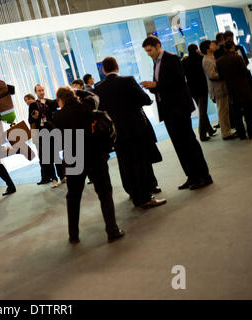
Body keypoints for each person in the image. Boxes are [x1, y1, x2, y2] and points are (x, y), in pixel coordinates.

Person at [52, 87, 124, 244]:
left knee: (73, 196)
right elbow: (94, 96)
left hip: (73, 158)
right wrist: (79, 92)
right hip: (95, 155)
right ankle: (112, 230)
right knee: (105, 193)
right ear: (74, 96)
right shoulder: (87, 106)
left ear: (60, 100)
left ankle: (73, 235)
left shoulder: (57, 116)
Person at [141, 36, 213, 191]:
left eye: (150, 50)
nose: (148, 53)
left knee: (189, 143)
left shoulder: (171, 59)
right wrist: (153, 86)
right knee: (179, 146)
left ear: (157, 45)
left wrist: (156, 84)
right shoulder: (157, 63)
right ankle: (192, 176)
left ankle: (203, 176)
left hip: (179, 109)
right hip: (168, 111)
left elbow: (179, 81)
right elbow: (163, 84)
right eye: (146, 51)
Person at [94, 57, 166, 209]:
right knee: (140, 162)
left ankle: (133, 193)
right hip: (135, 128)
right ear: (117, 67)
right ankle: (145, 197)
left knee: (124, 162)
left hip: (115, 132)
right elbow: (146, 100)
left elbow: (100, 110)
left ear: (104, 70)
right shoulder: (128, 81)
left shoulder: (98, 87)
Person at [28, 84, 65, 188]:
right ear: (36, 92)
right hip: (42, 132)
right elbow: (30, 120)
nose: (41, 92)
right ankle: (53, 179)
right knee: (48, 158)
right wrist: (34, 117)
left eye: (42, 90)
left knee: (56, 155)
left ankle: (62, 176)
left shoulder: (50, 102)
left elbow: (57, 112)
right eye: (39, 90)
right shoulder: (33, 105)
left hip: (52, 130)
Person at [216, 40, 252, 139]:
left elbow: (220, 77)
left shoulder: (219, 61)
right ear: (233, 48)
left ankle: (241, 134)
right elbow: (245, 72)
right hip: (243, 87)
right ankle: (251, 132)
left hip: (231, 89)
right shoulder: (238, 58)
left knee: (237, 114)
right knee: (248, 112)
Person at [200, 40, 237, 140]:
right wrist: (224, 74)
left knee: (225, 110)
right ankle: (226, 133)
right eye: (211, 45)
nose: (214, 45)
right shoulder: (207, 60)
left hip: (221, 87)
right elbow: (212, 75)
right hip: (218, 89)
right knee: (222, 111)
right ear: (208, 48)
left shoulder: (211, 57)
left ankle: (227, 130)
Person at [182, 44, 216, 141]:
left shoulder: (184, 61)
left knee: (202, 109)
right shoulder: (200, 58)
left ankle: (209, 129)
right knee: (202, 111)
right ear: (196, 49)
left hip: (192, 89)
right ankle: (202, 134)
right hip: (201, 87)